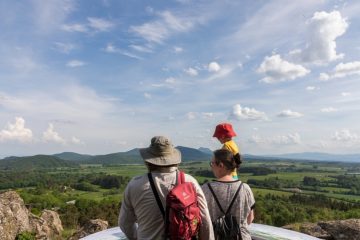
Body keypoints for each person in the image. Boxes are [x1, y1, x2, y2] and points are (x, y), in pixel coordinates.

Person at [119, 136, 214, 240]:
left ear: (148, 160)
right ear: (173, 158)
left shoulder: (134, 185)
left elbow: (124, 223)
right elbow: (205, 221)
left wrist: (137, 237)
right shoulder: (190, 182)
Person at [201, 149, 255, 240]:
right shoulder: (245, 188)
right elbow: (250, 218)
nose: (211, 166)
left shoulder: (205, 189)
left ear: (221, 165)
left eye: (212, 163)